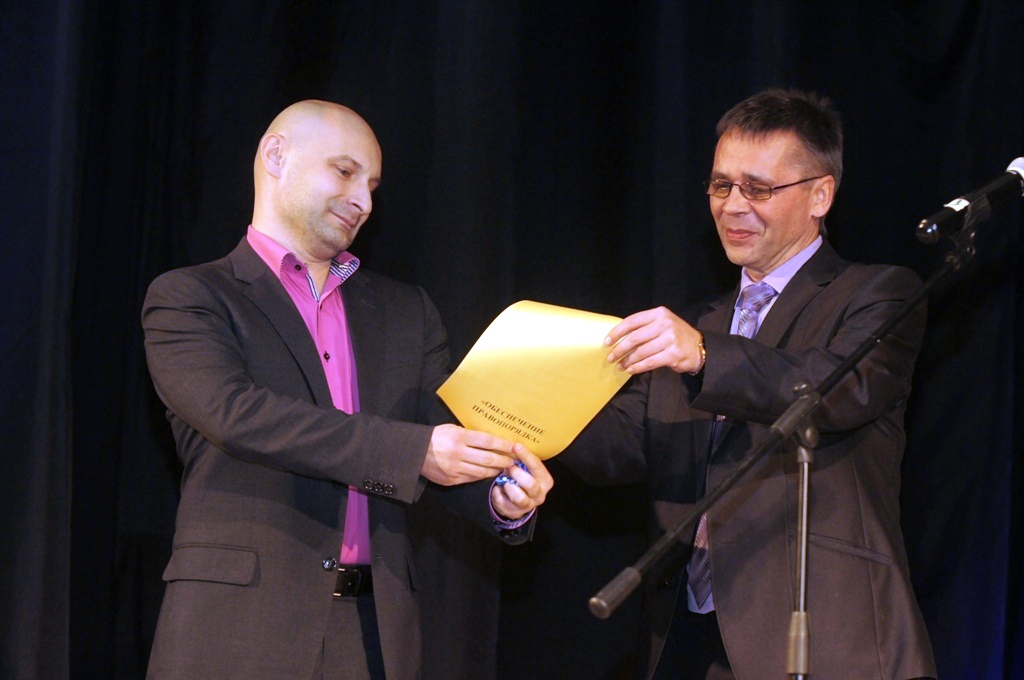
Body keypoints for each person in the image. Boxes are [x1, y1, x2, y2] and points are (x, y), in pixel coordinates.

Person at [141, 100, 553, 679]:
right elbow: (237, 415)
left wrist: (500, 495)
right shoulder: (192, 296)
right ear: (276, 156)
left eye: (373, 186)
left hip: (374, 634)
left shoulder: (406, 311)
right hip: (238, 629)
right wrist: (417, 451)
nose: (364, 200)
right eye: (344, 172)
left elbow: (442, 437)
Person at [560, 89, 937, 679]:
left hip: (826, 634)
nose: (733, 206)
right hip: (688, 638)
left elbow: (832, 388)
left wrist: (704, 356)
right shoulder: (699, 323)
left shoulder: (878, 294)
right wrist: (519, 414)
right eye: (721, 185)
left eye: (757, 189)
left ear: (820, 195)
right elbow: (622, 446)